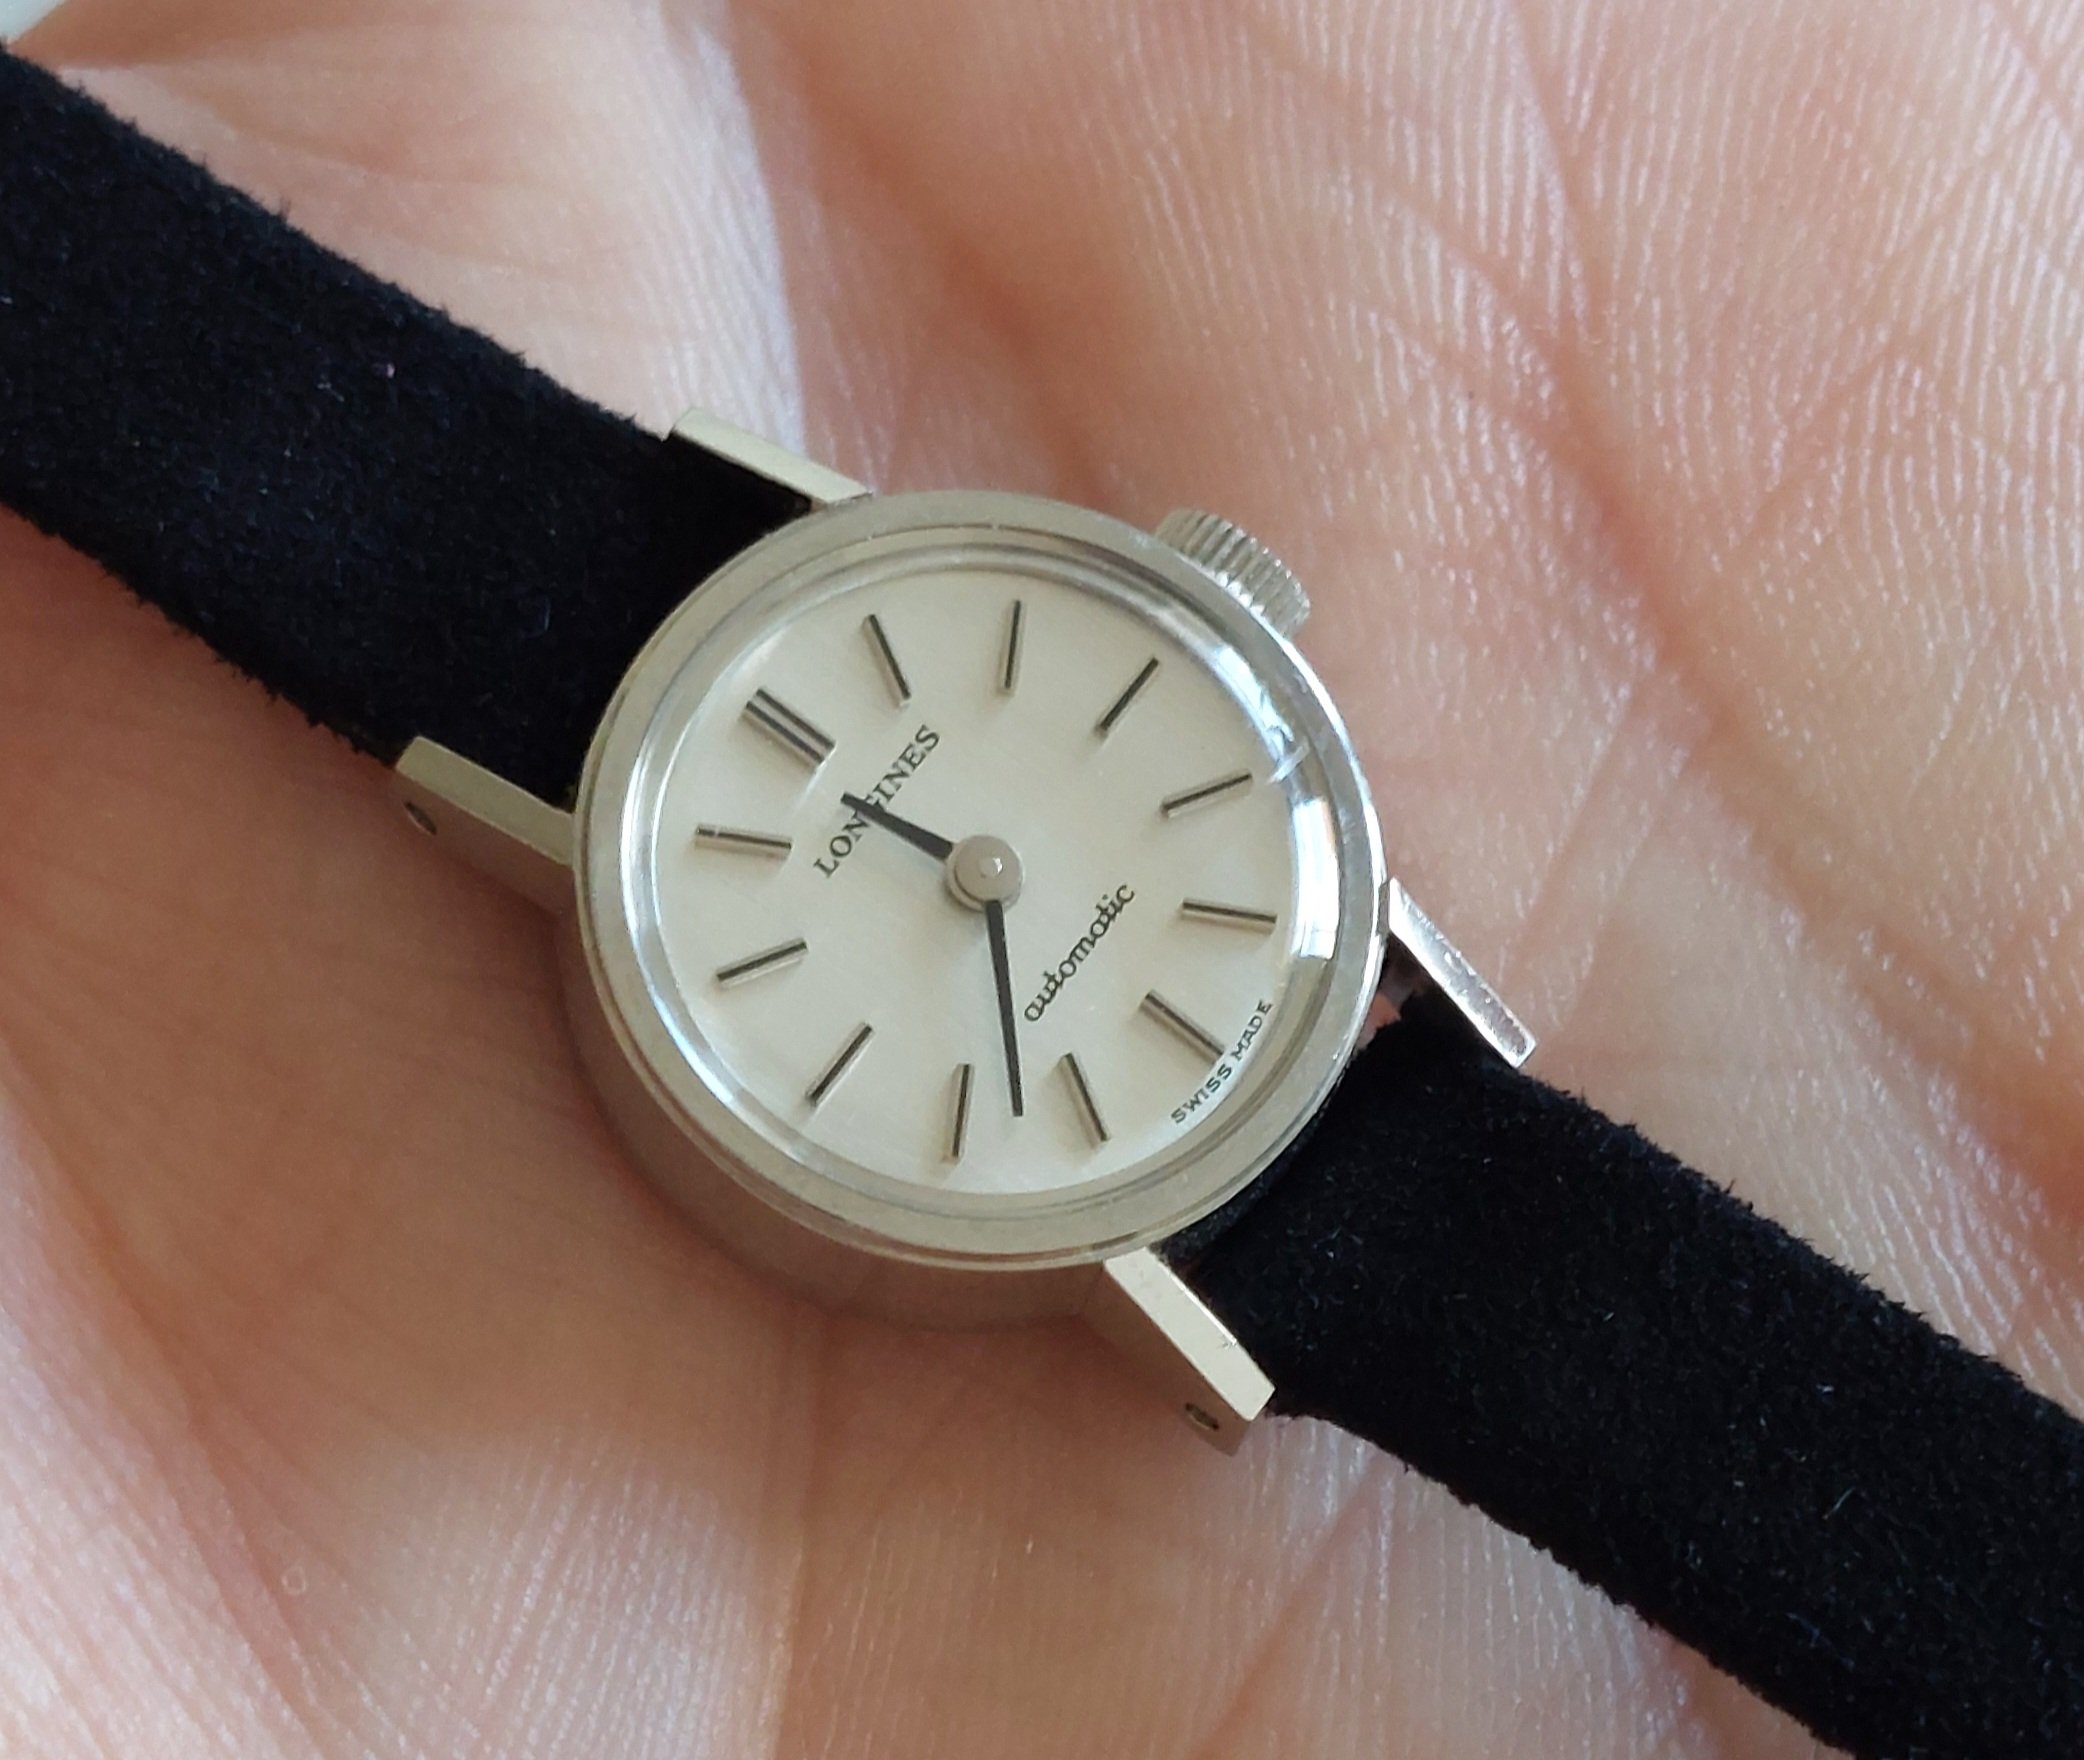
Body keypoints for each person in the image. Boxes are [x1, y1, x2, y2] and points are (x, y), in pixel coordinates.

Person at [1, 0, 2078, 1752]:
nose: (985, 868)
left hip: (1204, 1073)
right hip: (955, 997)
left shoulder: (1324, 1182)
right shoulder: (610, 764)